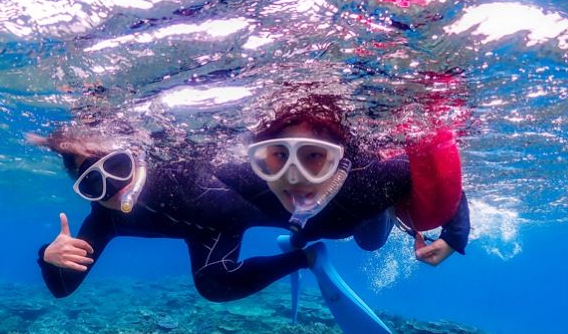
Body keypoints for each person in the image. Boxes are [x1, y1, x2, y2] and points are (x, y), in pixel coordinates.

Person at [33, 98, 469, 303]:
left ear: (137, 155)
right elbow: (63, 289)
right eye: (94, 186)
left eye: (120, 170)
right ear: (83, 192)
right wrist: (48, 258)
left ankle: (385, 218)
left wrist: (454, 231)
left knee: (367, 237)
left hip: (332, 214)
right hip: (217, 235)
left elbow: (431, 171)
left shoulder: (200, 166)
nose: (115, 190)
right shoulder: (103, 222)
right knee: (213, 286)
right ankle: (307, 259)